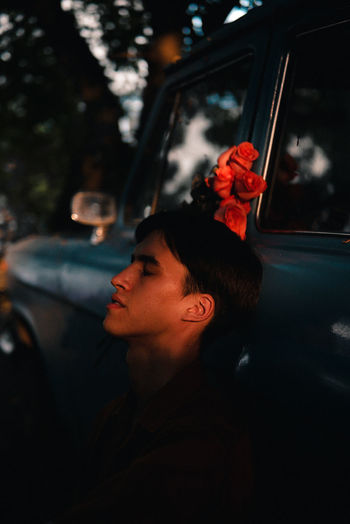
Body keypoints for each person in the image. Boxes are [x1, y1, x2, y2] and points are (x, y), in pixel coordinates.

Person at [55, 208, 263, 523]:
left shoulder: (201, 446)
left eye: (148, 270)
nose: (119, 279)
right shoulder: (118, 413)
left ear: (197, 308)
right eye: (131, 263)